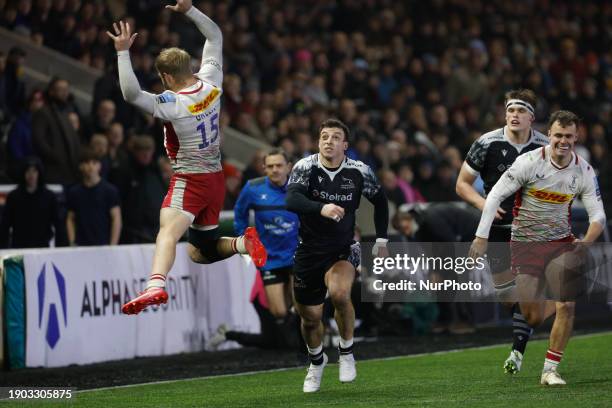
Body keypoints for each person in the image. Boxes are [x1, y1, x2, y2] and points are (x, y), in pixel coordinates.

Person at [106, 0, 267, 315]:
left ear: (166, 76)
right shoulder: (212, 82)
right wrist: (191, 11)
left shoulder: (173, 104)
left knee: (167, 231)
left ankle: (155, 285)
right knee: (200, 251)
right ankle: (242, 244)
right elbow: (215, 36)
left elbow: (131, 94)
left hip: (189, 179)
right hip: (216, 179)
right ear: (190, 66)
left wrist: (122, 52)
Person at [469, 110, 606, 385]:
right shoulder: (529, 162)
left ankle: (550, 370)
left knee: (566, 305)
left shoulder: (584, 170)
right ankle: (546, 304)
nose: (563, 141)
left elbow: (598, 217)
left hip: (561, 243)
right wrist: (481, 236)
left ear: (576, 137)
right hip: (525, 244)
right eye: (558, 135)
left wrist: (586, 243)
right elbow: (495, 195)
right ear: (550, 135)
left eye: (569, 136)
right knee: (531, 316)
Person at [286, 118, 389, 393]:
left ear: (345, 144)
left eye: (334, 137)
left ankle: (347, 353)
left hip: (343, 249)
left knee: (341, 294)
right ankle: (316, 361)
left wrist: (380, 239)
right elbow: (291, 199)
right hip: (308, 251)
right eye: (324, 137)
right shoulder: (305, 167)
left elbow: (380, 201)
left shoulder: (359, 171)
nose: (328, 141)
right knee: (310, 318)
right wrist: (321, 208)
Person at [456, 89, 549, 373]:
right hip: (497, 229)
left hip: (531, 229)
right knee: (508, 297)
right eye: (510, 111)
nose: (514, 116)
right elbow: (461, 184)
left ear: (531, 117)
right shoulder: (487, 143)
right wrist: (484, 204)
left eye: (521, 111)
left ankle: (517, 352)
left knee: (525, 289)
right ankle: (536, 315)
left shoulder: (545, 146)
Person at [234, 149, 300, 346]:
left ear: (288, 167)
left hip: (297, 254)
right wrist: (245, 239)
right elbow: (239, 214)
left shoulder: (301, 188)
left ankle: (305, 342)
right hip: (269, 258)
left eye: (279, 165)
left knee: (302, 305)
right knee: (279, 311)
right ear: (264, 168)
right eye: (270, 166)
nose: (275, 170)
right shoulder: (253, 188)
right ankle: (291, 330)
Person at [0, 157, 66, 249]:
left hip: (42, 248)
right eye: (28, 171)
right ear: (23, 173)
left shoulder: (49, 197)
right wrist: (3, 249)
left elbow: (58, 225)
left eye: (34, 171)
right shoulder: (13, 197)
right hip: (17, 248)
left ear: (39, 173)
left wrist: (62, 249)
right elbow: (5, 226)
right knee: (13, 263)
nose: (31, 175)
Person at [66, 150, 122, 246]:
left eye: (94, 163)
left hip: (104, 245)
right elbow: (70, 218)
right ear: (81, 167)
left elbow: (116, 218)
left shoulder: (110, 190)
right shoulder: (74, 192)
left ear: (99, 166)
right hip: (81, 245)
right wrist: (72, 241)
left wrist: (113, 245)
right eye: (87, 163)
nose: (91, 166)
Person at [31, 77, 81, 184]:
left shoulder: (65, 113)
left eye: (66, 89)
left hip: (69, 172)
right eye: (60, 89)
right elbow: (38, 140)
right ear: (51, 92)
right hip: (52, 171)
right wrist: (54, 156)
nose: (64, 92)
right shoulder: (43, 113)